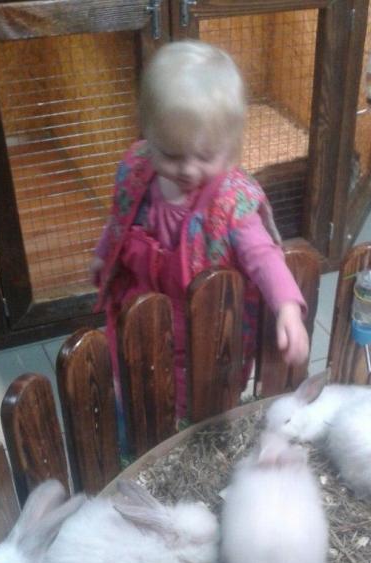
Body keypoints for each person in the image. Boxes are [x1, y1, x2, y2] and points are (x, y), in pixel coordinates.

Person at [91, 40, 309, 419]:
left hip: (201, 337)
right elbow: (118, 220)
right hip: (139, 321)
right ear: (149, 135)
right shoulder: (136, 173)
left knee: (192, 408)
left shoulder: (230, 201)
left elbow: (263, 256)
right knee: (137, 391)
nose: (188, 170)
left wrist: (287, 306)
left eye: (205, 156)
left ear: (230, 145)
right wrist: (102, 253)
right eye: (171, 154)